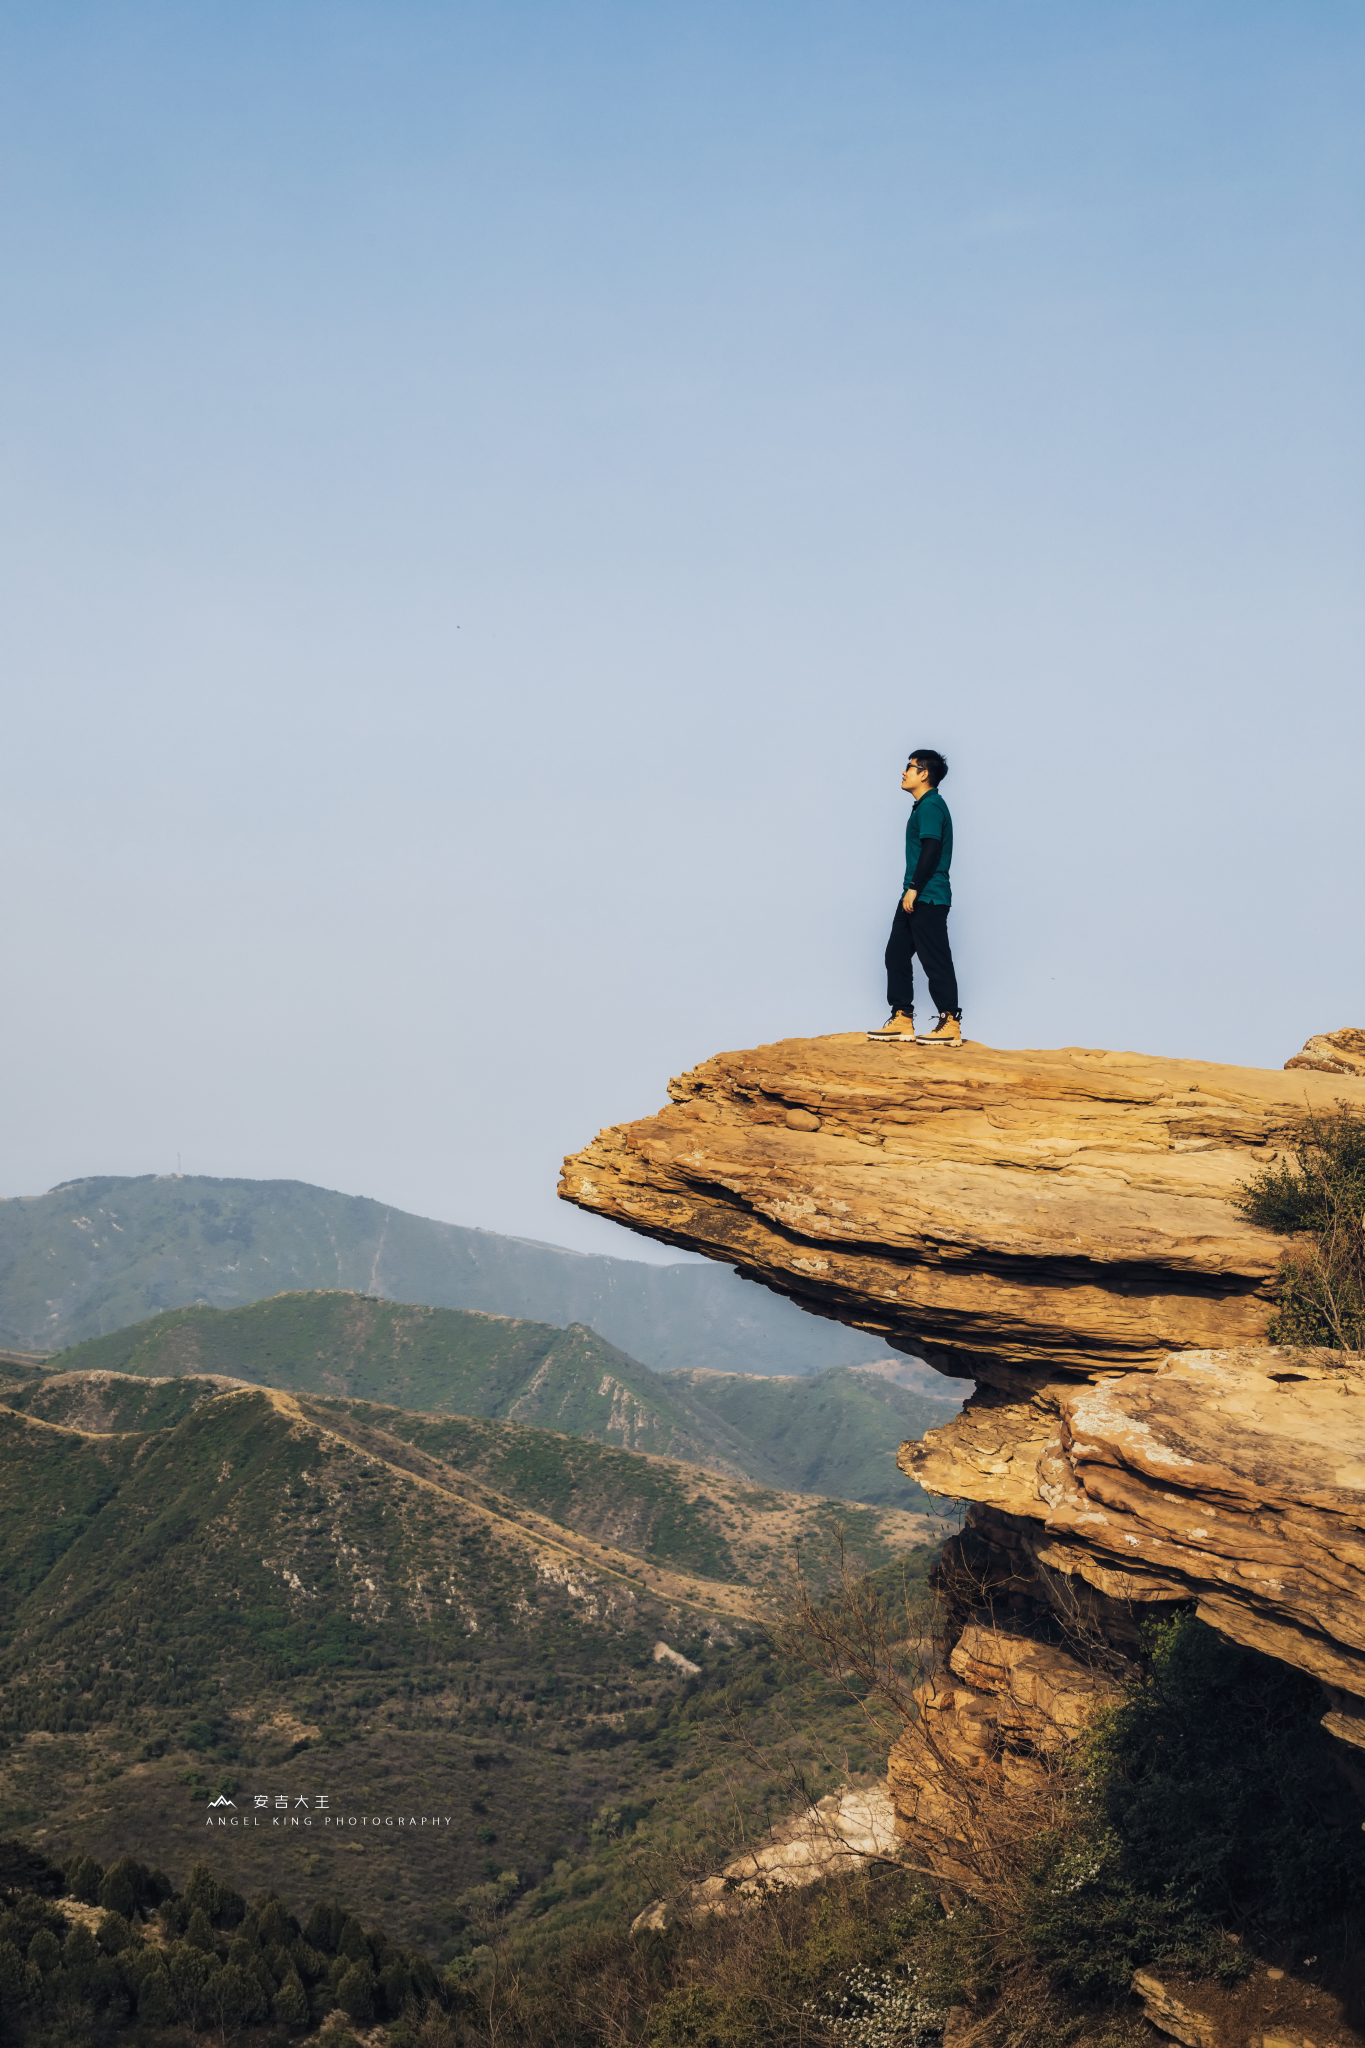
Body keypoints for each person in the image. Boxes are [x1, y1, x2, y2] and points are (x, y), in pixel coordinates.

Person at [868, 748, 962, 1045]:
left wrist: (914, 888)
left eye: (909, 767)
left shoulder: (932, 805)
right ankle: (902, 1019)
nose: (904, 772)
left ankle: (950, 1023)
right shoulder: (922, 806)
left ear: (924, 774)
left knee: (935, 959)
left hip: (928, 895)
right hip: (915, 894)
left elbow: (931, 848)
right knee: (895, 954)